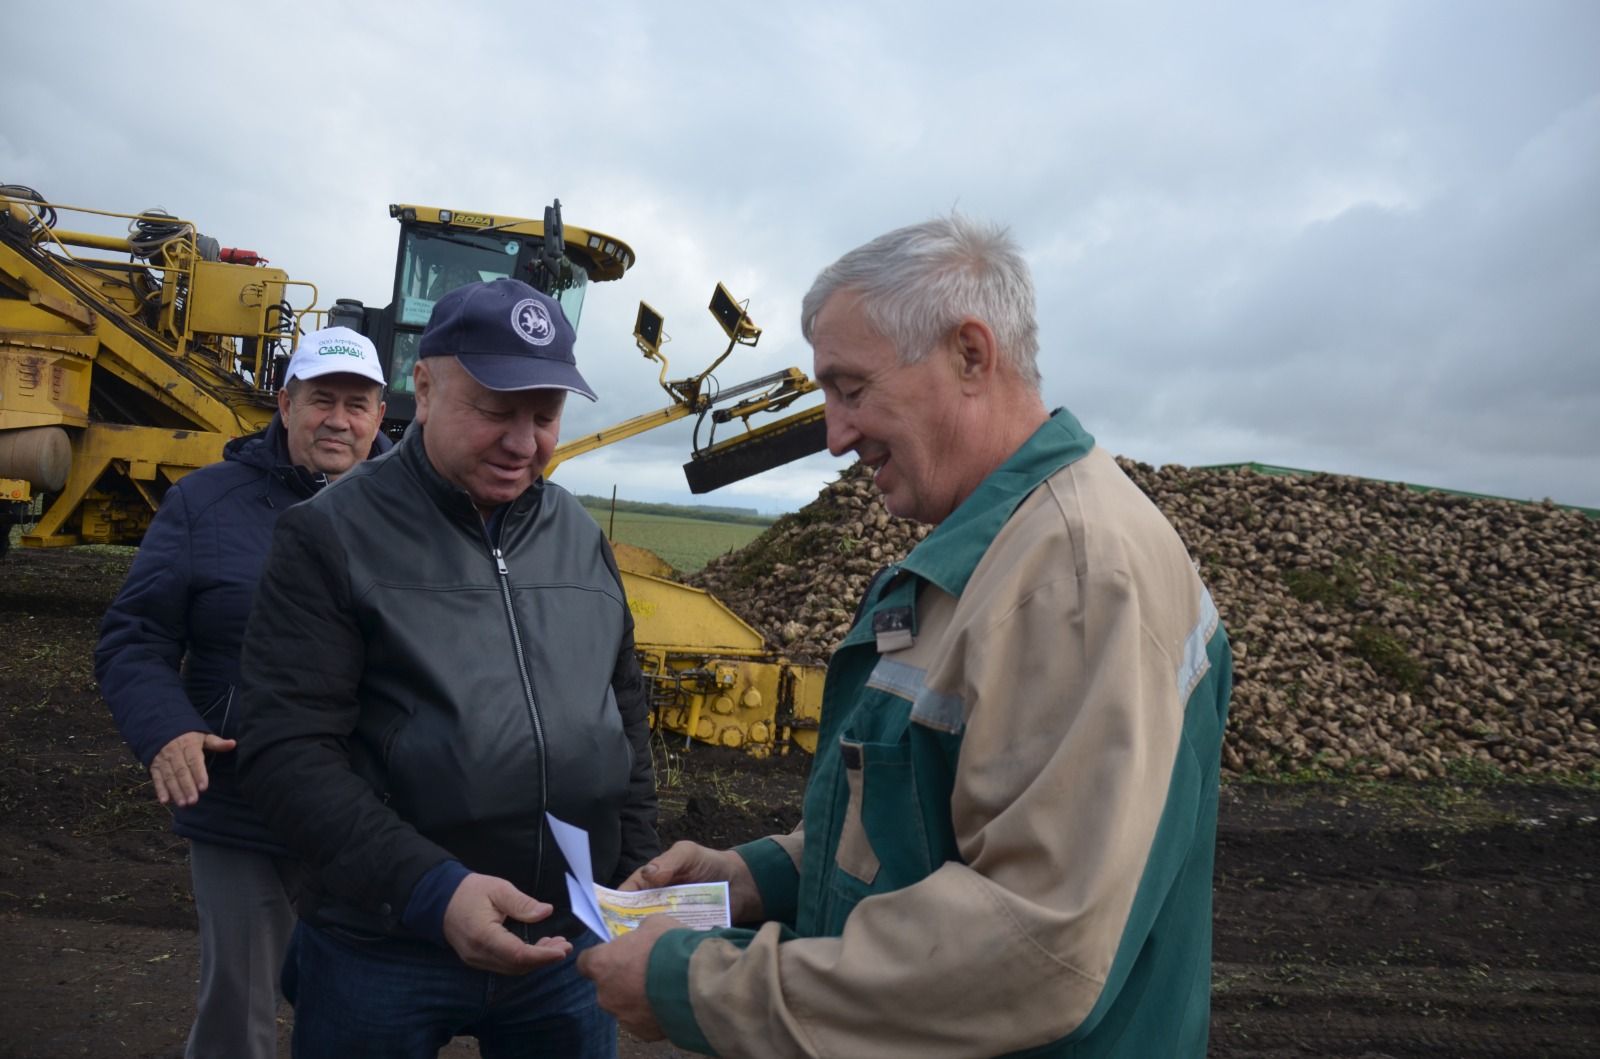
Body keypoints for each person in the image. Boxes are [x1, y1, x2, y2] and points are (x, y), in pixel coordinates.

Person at [577, 215, 1234, 1058]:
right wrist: (758, 877)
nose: (837, 434)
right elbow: (927, 821)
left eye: (851, 389)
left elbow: (1031, 945)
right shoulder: (995, 549)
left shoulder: (1074, 574)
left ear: (970, 353)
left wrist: (694, 984)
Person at [236, 277, 658, 1059]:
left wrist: (630, 881)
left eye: (545, 414)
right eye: (496, 409)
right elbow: (285, 751)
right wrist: (436, 890)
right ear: (423, 388)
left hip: (565, 948)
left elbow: (621, 716)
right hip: (383, 944)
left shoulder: (577, 533)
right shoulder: (329, 536)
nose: (524, 441)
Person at [95, 326, 389, 1059]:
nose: (339, 420)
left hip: (372, 806)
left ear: (382, 417)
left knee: (367, 1008)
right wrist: (166, 727)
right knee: (239, 1013)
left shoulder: (414, 514)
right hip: (240, 797)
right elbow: (134, 635)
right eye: (323, 399)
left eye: (358, 404)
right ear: (286, 404)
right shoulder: (204, 504)